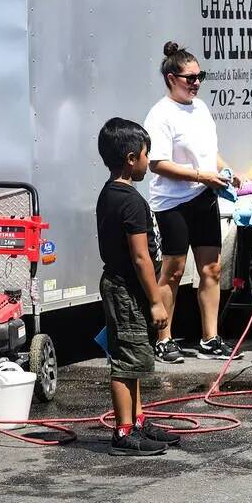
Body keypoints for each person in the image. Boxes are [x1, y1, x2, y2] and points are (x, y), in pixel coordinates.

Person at [144, 41, 242, 364]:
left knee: (211, 268)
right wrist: (202, 176)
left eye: (201, 76)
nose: (197, 83)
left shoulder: (200, 108)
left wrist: (227, 169)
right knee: (173, 270)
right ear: (171, 78)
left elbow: (208, 150)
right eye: (190, 78)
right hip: (172, 203)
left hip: (204, 197)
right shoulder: (160, 115)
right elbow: (157, 163)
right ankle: (163, 339)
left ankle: (210, 338)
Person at [96, 118, 182, 456]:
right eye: (147, 154)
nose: (150, 160)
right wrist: (156, 300)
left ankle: (139, 420)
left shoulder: (112, 193)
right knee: (125, 360)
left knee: (135, 358)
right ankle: (124, 430)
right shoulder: (129, 201)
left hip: (124, 288)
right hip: (127, 290)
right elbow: (141, 257)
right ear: (132, 158)